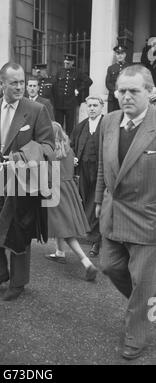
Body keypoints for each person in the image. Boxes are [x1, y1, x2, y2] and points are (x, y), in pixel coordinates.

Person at [0, 62, 55, 301]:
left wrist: (22, 157)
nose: (20, 87)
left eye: (22, 81)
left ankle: (18, 282)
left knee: (19, 234)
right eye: (14, 83)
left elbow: (48, 147)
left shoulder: (36, 109)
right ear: (1, 84)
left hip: (23, 182)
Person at [95, 65, 156, 360]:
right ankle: (143, 306)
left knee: (144, 284)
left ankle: (138, 334)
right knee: (108, 266)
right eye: (121, 91)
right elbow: (100, 166)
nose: (126, 96)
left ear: (151, 92)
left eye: (134, 90)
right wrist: (97, 200)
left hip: (148, 218)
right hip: (113, 212)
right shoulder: (109, 121)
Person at [45, 122, 98, 281]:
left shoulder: (48, 152)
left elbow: (47, 176)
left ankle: (87, 263)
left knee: (65, 230)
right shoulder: (68, 150)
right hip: (69, 190)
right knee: (61, 223)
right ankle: (60, 252)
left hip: (55, 190)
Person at [71, 96, 104, 258]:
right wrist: (73, 158)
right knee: (84, 200)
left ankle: (96, 242)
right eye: (89, 106)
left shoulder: (107, 125)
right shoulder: (80, 126)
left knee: (98, 202)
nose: (92, 108)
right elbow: (70, 146)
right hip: (83, 170)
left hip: (100, 171)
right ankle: (88, 232)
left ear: (101, 107)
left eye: (95, 105)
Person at [53, 54, 93, 137]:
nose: (66, 64)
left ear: (72, 62)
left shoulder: (77, 72)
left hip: (70, 103)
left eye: (68, 63)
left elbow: (89, 81)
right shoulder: (59, 71)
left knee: (70, 126)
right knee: (58, 125)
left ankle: (69, 142)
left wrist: (78, 89)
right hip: (59, 103)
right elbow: (54, 85)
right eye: (65, 62)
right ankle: (58, 141)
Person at [106, 45, 130, 113]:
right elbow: (108, 82)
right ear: (115, 55)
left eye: (122, 54)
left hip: (125, 97)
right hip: (113, 98)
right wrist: (115, 91)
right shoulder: (111, 68)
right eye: (118, 54)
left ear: (125, 55)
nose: (120, 56)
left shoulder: (129, 67)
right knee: (111, 118)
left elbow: (130, 82)